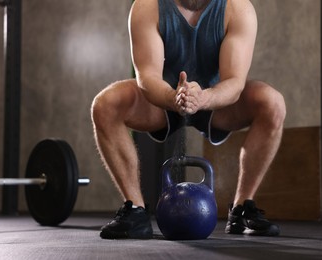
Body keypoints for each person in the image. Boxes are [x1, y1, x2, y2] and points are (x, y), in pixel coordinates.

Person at [91, 0, 286, 239]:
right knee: (105, 105)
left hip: (217, 100)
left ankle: (242, 208)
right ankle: (135, 210)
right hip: (162, 99)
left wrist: (203, 98)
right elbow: (148, 77)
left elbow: (234, 83)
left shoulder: (238, 8)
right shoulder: (147, 6)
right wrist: (174, 97)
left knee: (272, 103)